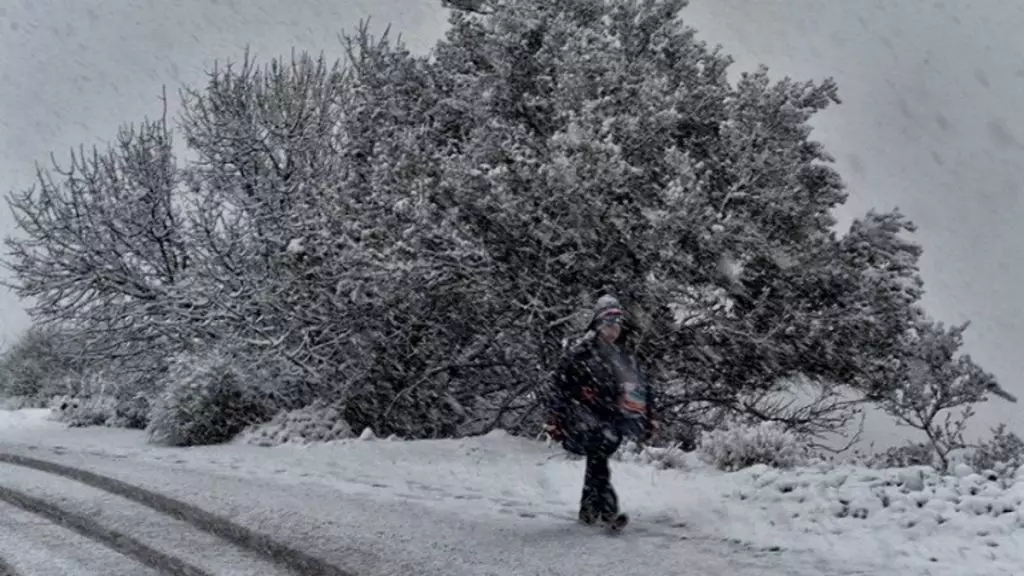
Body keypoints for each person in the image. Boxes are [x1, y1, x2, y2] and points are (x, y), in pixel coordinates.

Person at [544, 295, 659, 527]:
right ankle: (609, 512)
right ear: (597, 324)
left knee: (598, 461)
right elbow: (560, 385)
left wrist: (649, 418)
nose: (613, 328)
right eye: (608, 322)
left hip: (614, 420)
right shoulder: (580, 355)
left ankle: (588, 512)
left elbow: (642, 389)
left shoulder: (626, 356)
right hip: (582, 418)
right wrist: (555, 417)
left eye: (617, 323)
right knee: (598, 459)